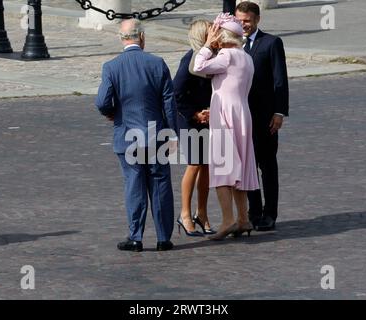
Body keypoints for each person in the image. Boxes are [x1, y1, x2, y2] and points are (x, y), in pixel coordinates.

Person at [95, 19, 178, 252]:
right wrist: (173, 133)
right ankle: (163, 237)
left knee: (134, 185)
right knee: (160, 183)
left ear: (121, 39)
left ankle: (136, 236)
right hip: (156, 134)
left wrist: (113, 113)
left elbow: (102, 102)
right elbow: (169, 103)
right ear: (141, 37)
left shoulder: (112, 67)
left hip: (127, 135)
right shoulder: (157, 63)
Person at [194, 13, 259, 240]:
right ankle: (243, 218)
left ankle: (228, 220)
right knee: (239, 169)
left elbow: (199, 67)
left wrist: (206, 45)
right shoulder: (246, 56)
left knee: (223, 169)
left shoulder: (226, 55)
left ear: (222, 37)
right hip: (242, 113)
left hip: (225, 115)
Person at [236, 2, 289, 231]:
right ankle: (254, 211)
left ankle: (270, 214)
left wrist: (279, 112)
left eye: (246, 20)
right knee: (247, 166)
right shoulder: (232, 45)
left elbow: (280, 80)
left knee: (267, 166)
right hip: (242, 116)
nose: (243, 25)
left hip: (265, 117)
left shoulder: (271, 43)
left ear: (257, 19)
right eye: (239, 20)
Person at [173, 20, 216, 237]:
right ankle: (185, 214)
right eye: (212, 32)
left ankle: (202, 213)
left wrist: (210, 110)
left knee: (207, 166)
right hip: (189, 119)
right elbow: (177, 93)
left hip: (207, 116)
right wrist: (195, 113)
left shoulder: (213, 57)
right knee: (194, 164)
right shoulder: (189, 59)